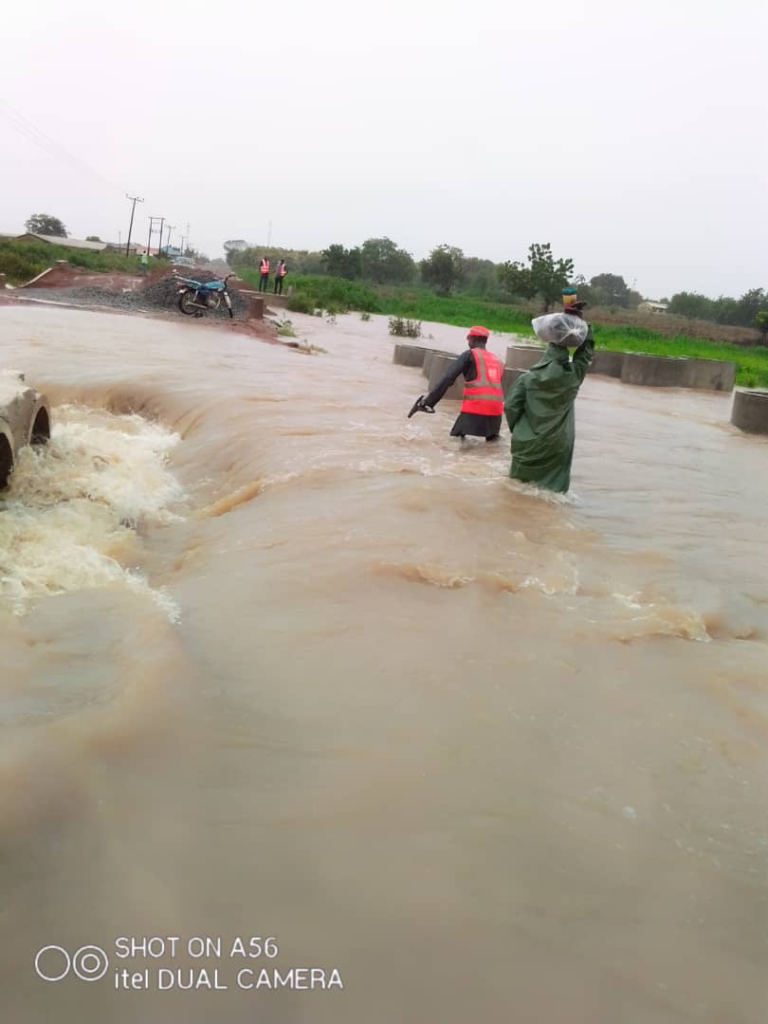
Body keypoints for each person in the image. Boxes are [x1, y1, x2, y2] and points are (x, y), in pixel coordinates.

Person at [504, 301, 594, 493]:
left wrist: (521, 432)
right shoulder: (573, 376)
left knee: (517, 492)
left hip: (527, 446)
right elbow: (585, 355)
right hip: (558, 446)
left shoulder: (527, 379)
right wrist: (580, 324)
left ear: (547, 350)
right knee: (553, 495)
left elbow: (510, 407)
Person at [411, 326, 505, 441]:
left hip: (476, 406)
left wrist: (428, 402)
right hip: (497, 411)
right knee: (491, 445)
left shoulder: (470, 355)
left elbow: (448, 378)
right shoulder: (497, 360)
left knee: (455, 440)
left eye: (468, 338)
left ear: (473, 339)